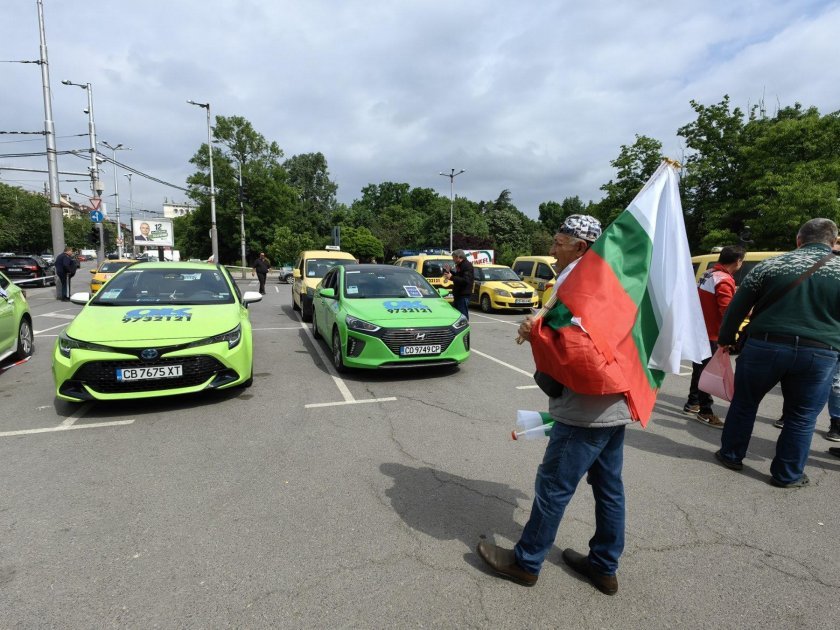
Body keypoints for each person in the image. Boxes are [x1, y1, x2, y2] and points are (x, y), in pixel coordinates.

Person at [477, 214, 628, 595]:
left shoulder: (580, 283)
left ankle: (526, 562)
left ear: (581, 246)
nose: (552, 249)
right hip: (616, 399)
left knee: (553, 485)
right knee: (609, 487)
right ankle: (604, 565)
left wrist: (535, 333)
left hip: (585, 406)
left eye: (558, 242)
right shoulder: (614, 278)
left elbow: (575, 349)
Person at [715, 218, 840, 488]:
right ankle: (787, 474)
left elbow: (737, 308)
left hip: (764, 346)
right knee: (802, 416)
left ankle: (731, 454)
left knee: (744, 404)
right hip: (820, 353)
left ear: (798, 240)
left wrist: (726, 340)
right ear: (833, 242)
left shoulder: (769, 266)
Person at [774, 235, 840, 441]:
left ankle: (836, 423)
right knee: (801, 386)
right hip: (812, 340)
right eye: (834, 250)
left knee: (835, 384)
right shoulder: (805, 268)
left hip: (828, 342)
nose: (833, 255)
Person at [683, 245, 745, 428]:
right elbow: (727, 311)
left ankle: (693, 402)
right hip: (711, 333)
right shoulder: (724, 280)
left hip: (700, 329)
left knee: (699, 368)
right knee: (706, 372)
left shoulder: (709, 273)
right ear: (738, 261)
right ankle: (705, 411)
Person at [442, 249, 474, 320]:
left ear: (459, 257)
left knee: (462, 316)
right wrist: (450, 272)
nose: (453, 259)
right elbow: (458, 276)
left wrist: (452, 277)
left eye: (454, 257)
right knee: (456, 316)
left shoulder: (467, 266)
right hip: (458, 294)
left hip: (463, 295)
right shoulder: (460, 265)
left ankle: (465, 329)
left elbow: (465, 280)